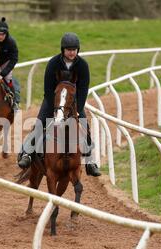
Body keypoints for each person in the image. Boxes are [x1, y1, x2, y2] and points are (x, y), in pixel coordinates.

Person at [17, 32, 101, 177]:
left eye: (74, 49)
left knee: (85, 126)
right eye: (69, 50)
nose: (72, 52)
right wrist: (54, 109)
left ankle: (90, 161)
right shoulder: (53, 63)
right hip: (52, 101)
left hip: (73, 103)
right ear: (63, 50)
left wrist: (79, 109)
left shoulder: (83, 65)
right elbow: (48, 88)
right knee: (40, 123)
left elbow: (83, 90)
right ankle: (27, 154)